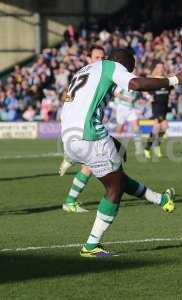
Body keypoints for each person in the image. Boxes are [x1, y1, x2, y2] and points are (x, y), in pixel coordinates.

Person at [61, 48, 182, 257]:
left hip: (68, 136)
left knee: (117, 177)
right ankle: (91, 246)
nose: (129, 72)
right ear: (126, 65)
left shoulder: (85, 70)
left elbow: (70, 98)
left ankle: (161, 199)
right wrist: (174, 79)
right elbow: (136, 84)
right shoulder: (112, 66)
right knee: (115, 185)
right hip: (89, 134)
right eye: (130, 68)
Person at [59, 46, 105, 213]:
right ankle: (70, 201)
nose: (100, 60)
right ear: (88, 58)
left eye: (102, 57)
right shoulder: (98, 73)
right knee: (98, 162)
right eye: (96, 56)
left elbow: (70, 97)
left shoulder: (80, 73)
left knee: (91, 163)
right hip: (86, 124)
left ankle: (70, 157)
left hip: (76, 122)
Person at [144, 62, 171, 159]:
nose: (160, 69)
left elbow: (170, 90)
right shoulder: (152, 79)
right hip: (156, 105)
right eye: (158, 67)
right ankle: (149, 148)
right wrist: (148, 96)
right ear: (155, 68)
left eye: (162, 67)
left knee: (163, 128)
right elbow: (144, 90)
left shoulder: (166, 79)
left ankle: (154, 146)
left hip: (164, 106)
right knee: (158, 127)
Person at [113, 87, 143, 155]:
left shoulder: (137, 85)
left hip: (131, 109)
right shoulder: (123, 84)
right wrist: (126, 99)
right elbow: (116, 94)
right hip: (121, 108)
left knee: (136, 128)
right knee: (119, 131)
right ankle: (113, 146)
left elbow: (137, 97)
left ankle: (139, 149)